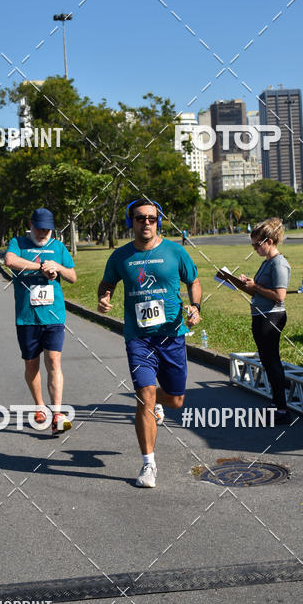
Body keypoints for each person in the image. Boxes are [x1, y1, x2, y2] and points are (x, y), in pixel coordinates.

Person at [97, 198, 202, 488]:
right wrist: (104, 297)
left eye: (152, 218)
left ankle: (157, 402)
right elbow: (107, 283)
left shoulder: (175, 251)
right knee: (144, 395)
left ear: (159, 221)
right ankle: (148, 464)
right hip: (139, 338)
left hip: (172, 335)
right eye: (140, 218)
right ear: (131, 222)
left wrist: (195, 307)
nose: (147, 222)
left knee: (176, 400)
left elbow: (193, 280)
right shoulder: (120, 257)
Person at [4, 208, 77, 437]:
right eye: (40, 227)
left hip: (54, 316)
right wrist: (42, 266)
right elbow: (9, 260)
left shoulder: (58, 246)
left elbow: (73, 277)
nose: (44, 232)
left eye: (48, 228)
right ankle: (39, 406)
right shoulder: (18, 242)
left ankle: (57, 413)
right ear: (31, 224)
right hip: (27, 317)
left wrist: (58, 267)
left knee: (54, 360)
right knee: (31, 364)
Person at [238, 218, 291, 426]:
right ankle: (276, 402)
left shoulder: (279, 263)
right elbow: (259, 289)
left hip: (272, 316)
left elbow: (280, 295)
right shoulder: (267, 262)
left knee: (272, 361)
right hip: (261, 316)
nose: (254, 249)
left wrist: (256, 287)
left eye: (257, 245)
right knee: (268, 361)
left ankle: (282, 408)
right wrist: (245, 284)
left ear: (269, 241)